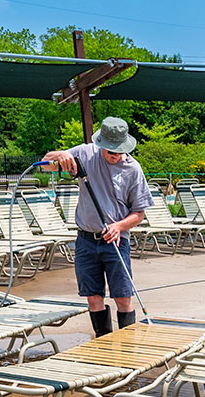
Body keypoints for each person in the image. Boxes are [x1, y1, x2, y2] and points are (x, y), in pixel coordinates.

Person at [43, 117, 152, 337]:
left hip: (115, 240)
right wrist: (61, 155)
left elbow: (139, 213)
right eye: (111, 151)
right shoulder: (85, 153)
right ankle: (103, 342)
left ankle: (128, 348)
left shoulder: (133, 169)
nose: (115, 155)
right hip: (85, 239)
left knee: (122, 296)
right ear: (100, 144)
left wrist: (119, 226)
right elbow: (45, 163)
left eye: (119, 151)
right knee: (93, 297)